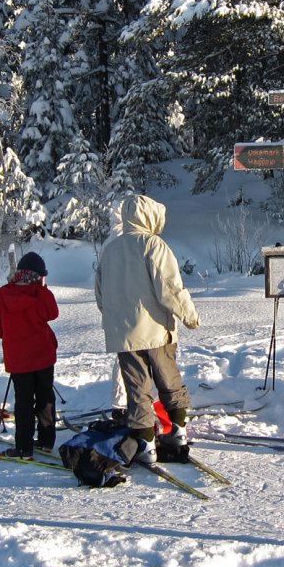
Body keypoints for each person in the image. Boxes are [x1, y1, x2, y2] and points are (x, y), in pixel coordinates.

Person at [94, 195, 200, 465]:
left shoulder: (110, 249)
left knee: (136, 389)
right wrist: (189, 315)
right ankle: (177, 434)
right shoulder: (153, 244)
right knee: (168, 381)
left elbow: (100, 293)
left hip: (123, 334)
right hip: (154, 329)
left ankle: (145, 444)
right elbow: (169, 288)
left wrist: (115, 319)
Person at [0, 252, 59, 459]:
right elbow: (52, 314)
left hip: (19, 358)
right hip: (44, 355)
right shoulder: (41, 293)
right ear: (39, 275)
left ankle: (24, 447)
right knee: (45, 397)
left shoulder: (3, 294)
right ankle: (46, 441)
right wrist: (42, 290)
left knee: (24, 402)